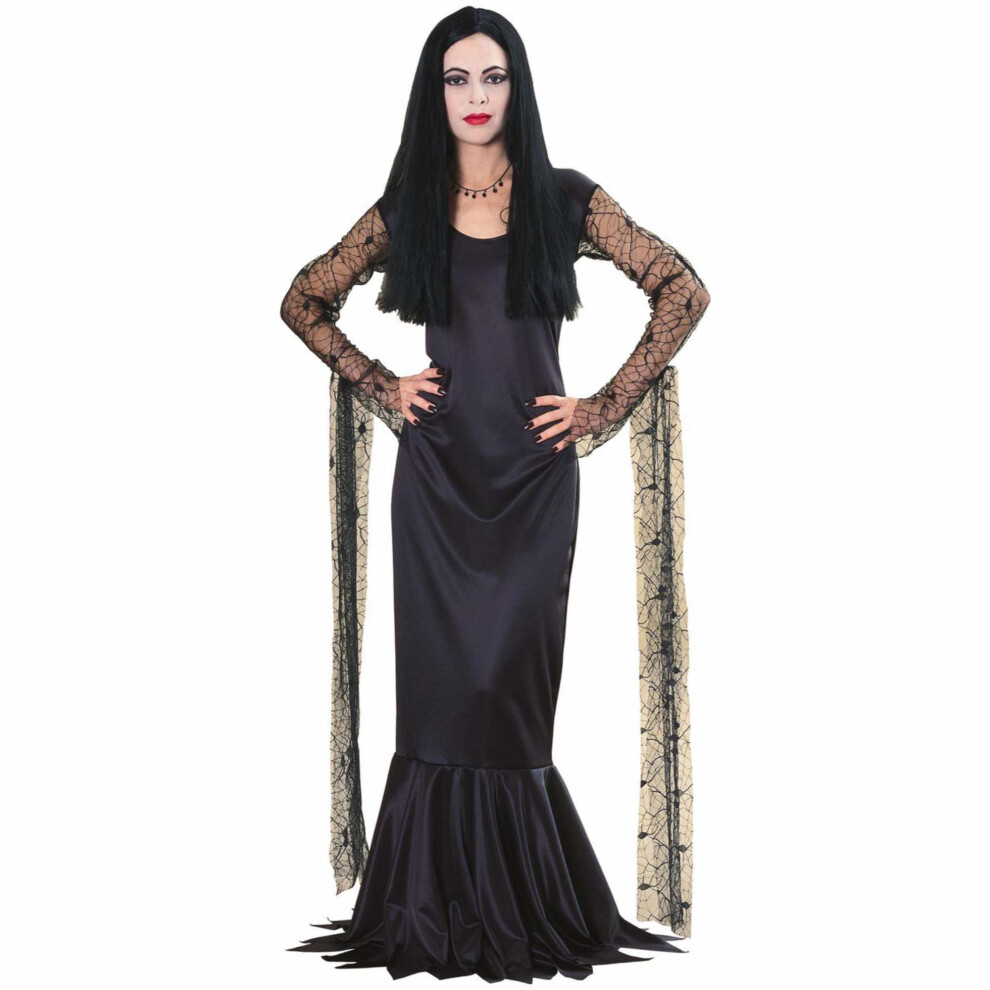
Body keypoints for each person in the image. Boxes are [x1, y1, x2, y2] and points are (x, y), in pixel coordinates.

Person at [278, 7, 710, 981]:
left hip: (531, 485)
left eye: (493, 76)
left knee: (507, 695)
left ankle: (524, 906)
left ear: (518, 86)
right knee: (439, 700)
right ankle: (424, 908)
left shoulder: (566, 199)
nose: (475, 96)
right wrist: (382, 381)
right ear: (432, 94)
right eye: (456, 78)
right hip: (436, 488)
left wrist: (602, 403)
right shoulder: (410, 206)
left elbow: (683, 290)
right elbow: (302, 298)